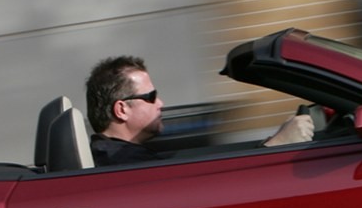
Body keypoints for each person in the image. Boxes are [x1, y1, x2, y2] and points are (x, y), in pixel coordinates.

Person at [85, 55, 312, 167]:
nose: (161, 103)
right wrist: (275, 146)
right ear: (122, 109)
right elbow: (201, 187)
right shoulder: (123, 163)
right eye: (150, 97)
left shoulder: (120, 155)